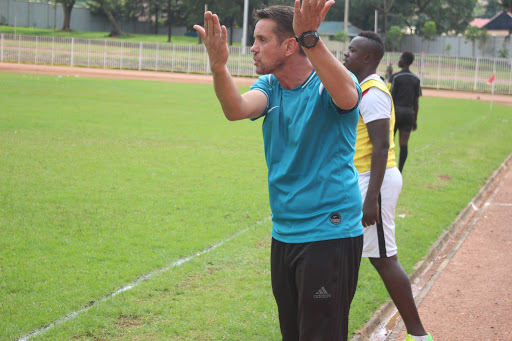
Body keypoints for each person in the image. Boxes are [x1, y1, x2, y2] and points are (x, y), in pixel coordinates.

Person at [194, 2, 363, 340]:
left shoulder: (325, 83)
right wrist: (218, 67)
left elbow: (347, 97)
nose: (253, 48)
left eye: (261, 40)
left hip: (329, 233)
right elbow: (236, 109)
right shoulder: (270, 87)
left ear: (289, 45)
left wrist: (311, 38)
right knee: (294, 333)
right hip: (285, 232)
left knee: (321, 334)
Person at [344, 32, 432, 341]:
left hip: (374, 181)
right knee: (348, 254)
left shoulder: (374, 92)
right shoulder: (362, 88)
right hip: (366, 179)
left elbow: (382, 145)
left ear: (367, 57)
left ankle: (419, 335)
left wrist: (371, 200)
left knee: (383, 258)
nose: (346, 53)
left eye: (352, 50)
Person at [388, 51, 422, 173]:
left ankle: (386, 169)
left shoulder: (395, 77)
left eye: (400, 58)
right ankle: (400, 171)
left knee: (388, 143)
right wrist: (415, 120)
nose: (398, 60)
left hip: (395, 113)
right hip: (408, 114)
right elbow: (416, 102)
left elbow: (389, 96)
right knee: (404, 143)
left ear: (404, 61)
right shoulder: (416, 79)